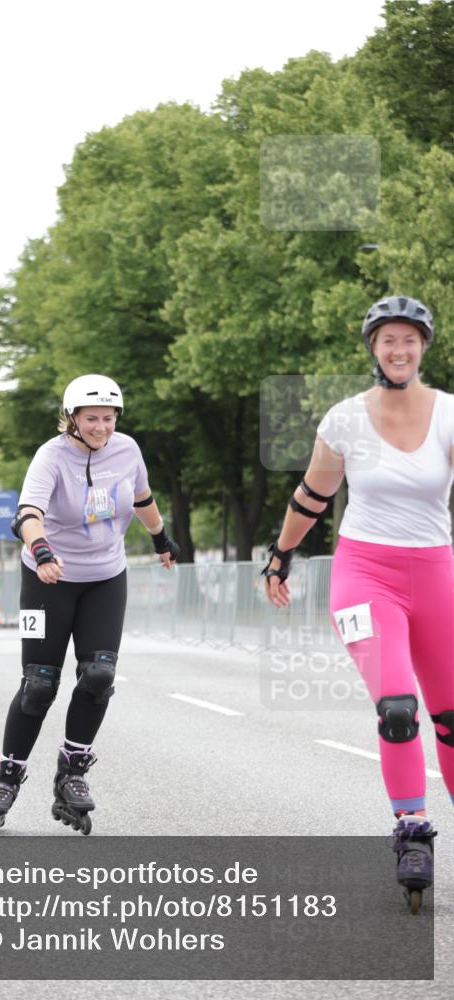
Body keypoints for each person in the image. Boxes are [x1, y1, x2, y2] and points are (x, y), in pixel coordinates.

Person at [263, 295, 454, 912]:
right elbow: (312, 496)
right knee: (398, 708)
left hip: (435, 572)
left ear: (424, 346)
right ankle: (412, 831)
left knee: (451, 719)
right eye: (387, 340)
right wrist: (280, 556)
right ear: (372, 348)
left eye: (409, 340)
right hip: (364, 574)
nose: (399, 350)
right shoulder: (345, 419)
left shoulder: (450, 414)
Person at [0, 374, 180, 835]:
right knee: (39, 684)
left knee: (99, 675)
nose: (101, 427)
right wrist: (44, 551)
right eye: (91, 418)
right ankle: (6, 775)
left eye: (109, 418)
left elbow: (143, 497)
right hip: (46, 578)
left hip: (105, 577)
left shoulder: (127, 450)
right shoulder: (50, 457)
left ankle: (71, 773)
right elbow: (27, 514)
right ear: (71, 418)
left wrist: (160, 538)